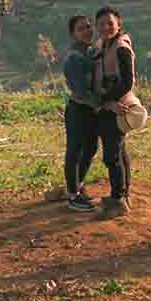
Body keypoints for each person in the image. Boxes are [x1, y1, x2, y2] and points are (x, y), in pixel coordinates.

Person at [46, 13, 100, 211]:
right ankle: (72, 195)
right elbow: (81, 91)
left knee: (91, 148)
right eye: (81, 29)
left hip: (90, 110)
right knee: (75, 151)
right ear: (73, 34)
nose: (87, 31)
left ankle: (77, 186)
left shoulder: (91, 51)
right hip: (79, 109)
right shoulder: (74, 58)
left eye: (88, 27)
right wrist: (102, 103)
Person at [91, 6, 136, 219]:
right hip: (109, 103)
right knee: (119, 149)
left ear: (119, 23)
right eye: (101, 24)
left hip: (115, 105)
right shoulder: (103, 44)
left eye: (110, 23)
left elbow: (128, 81)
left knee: (112, 154)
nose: (106, 27)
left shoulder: (121, 47)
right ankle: (123, 194)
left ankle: (118, 199)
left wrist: (106, 100)